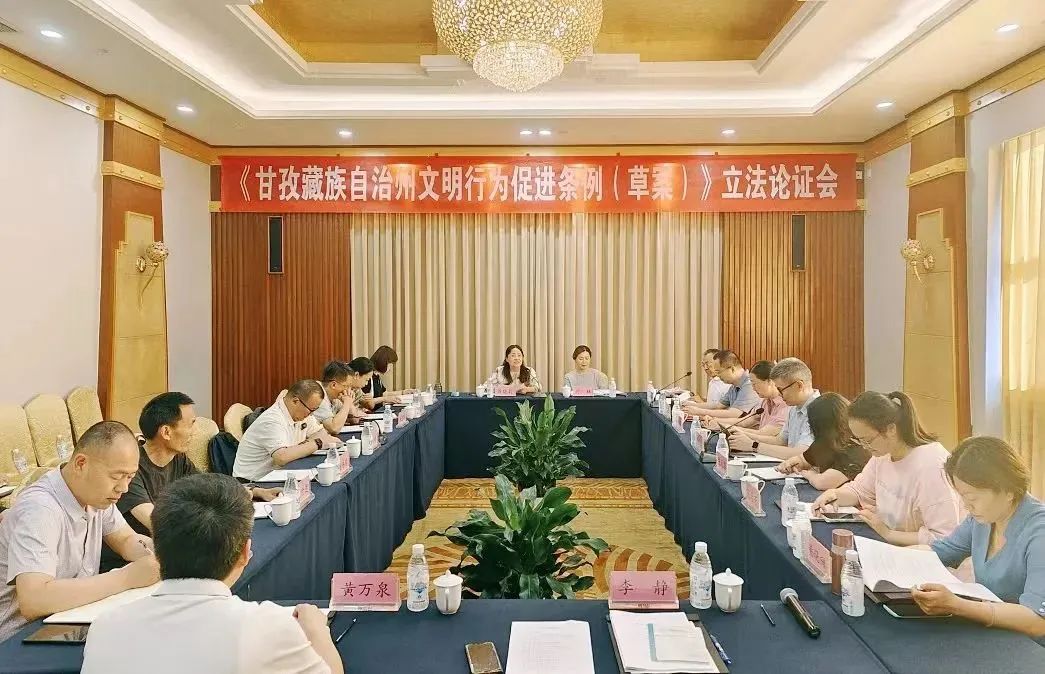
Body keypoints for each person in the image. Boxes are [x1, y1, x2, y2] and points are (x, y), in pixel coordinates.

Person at [81, 473, 344, 673]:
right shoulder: (266, 626)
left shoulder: (105, 627)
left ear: (156, 550)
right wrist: (316, 629)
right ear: (245, 553)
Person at [0, 421, 160, 643]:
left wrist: (162, 553)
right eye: (117, 476)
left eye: (130, 477)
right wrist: (126, 578)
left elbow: (125, 539)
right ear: (81, 464)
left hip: (67, 622)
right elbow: (34, 599)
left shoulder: (95, 495)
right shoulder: (40, 509)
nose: (123, 488)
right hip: (18, 638)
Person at [102, 393, 279, 572]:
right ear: (166, 432)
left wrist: (254, 491)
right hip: (132, 563)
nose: (195, 431)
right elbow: (156, 521)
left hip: (167, 554)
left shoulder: (178, 459)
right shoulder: (131, 469)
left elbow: (210, 485)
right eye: (191, 424)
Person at [910, 436, 1045, 641]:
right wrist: (889, 558)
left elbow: (1037, 621)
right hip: (996, 634)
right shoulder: (984, 518)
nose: (966, 506)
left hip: (1031, 648)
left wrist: (958, 605)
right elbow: (942, 551)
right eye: (962, 497)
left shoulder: (1039, 532)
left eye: (972, 498)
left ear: (1008, 490)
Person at [812, 391, 963, 545]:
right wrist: (834, 495)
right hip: (889, 544)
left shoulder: (932, 466)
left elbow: (943, 537)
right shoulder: (883, 455)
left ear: (891, 429)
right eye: (859, 440)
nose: (864, 447)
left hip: (921, 554)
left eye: (867, 440)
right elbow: (860, 491)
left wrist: (889, 534)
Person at [233, 380, 339, 482]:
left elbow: (321, 433)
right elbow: (281, 457)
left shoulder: (302, 412)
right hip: (253, 482)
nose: (311, 414)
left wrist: (304, 446)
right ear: (295, 401)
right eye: (310, 410)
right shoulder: (272, 420)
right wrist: (317, 443)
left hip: (279, 473)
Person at [728, 357, 820, 460]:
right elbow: (780, 441)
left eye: (780, 390)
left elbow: (800, 453)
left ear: (799, 385)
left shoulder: (819, 410)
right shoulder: (794, 408)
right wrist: (746, 439)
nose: (779, 395)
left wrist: (753, 445)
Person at [778, 393, 870, 490]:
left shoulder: (856, 450)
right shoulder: (825, 443)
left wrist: (807, 474)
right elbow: (803, 460)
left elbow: (822, 483)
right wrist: (791, 463)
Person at [682, 350, 760, 420]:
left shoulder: (750, 384)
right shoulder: (734, 385)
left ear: (732, 369)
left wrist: (699, 411)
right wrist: (689, 405)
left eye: (718, 372)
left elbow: (735, 413)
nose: (717, 375)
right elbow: (718, 405)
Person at [313, 360, 368, 435]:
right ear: (333, 385)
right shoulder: (317, 395)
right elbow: (334, 428)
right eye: (347, 386)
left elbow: (354, 416)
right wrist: (347, 403)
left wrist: (349, 404)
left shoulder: (335, 397)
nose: (349, 390)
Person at [361, 346, 413, 410]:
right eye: (389, 364)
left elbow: (384, 393)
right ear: (383, 362)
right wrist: (384, 399)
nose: (390, 368)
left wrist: (403, 392)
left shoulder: (376, 375)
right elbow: (365, 401)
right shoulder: (367, 377)